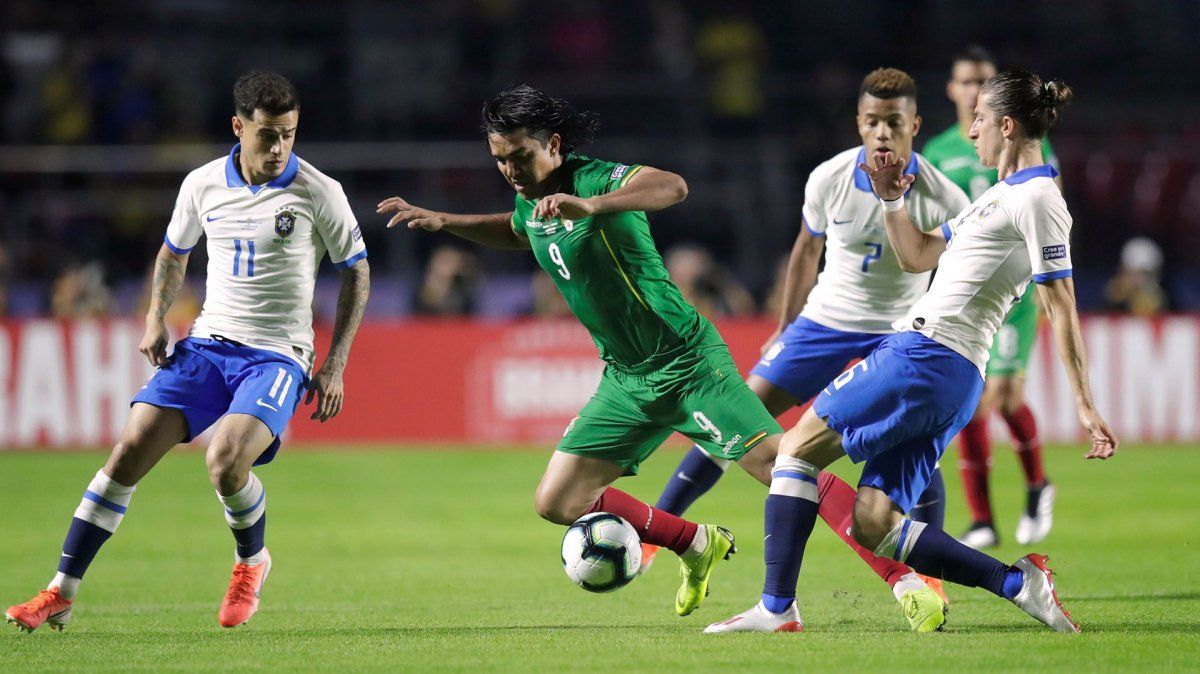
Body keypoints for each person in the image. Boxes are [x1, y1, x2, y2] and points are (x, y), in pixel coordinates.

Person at [706, 70, 1117, 634]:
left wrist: (1085, 404)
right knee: (875, 521)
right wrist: (893, 201)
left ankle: (777, 608)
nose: (970, 131)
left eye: (978, 119)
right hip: (951, 374)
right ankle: (1018, 584)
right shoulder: (998, 198)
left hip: (926, 354)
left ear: (1006, 124)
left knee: (794, 450)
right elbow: (919, 255)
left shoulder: (1040, 198)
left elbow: (1060, 304)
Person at [379, 84, 791, 619]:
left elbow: (673, 186)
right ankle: (694, 542)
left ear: (552, 143)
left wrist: (592, 206)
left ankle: (902, 565)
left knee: (783, 468)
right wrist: (446, 221)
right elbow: (520, 229)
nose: (508, 169)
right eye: (499, 159)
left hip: (685, 361)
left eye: (518, 156)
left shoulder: (593, 179)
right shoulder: (531, 199)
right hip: (626, 377)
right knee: (556, 502)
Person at [5, 71, 370, 632]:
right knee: (127, 452)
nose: (278, 148)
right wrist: (155, 317)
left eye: (289, 135)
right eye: (267, 135)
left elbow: (357, 272)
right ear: (238, 127)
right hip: (206, 345)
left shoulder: (319, 192)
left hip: (277, 355)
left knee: (224, 462)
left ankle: (251, 561)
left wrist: (336, 362)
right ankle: (61, 591)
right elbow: (173, 254)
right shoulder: (202, 184)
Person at [644, 68, 968, 626]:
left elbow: (959, 272)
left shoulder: (944, 196)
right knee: (737, 411)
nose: (883, 133)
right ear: (859, 124)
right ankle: (661, 528)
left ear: (915, 124)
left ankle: (926, 566)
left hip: (897, 331)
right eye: (872, 122)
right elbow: (805, 250)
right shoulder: (828, 177)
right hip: (822, 322)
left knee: (909, 439)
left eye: (894, 122)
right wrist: (784, 326)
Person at [922, 46, 1061, 548]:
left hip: (1015, 294)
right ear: (952, 89)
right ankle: (982, 519)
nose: (974, 90)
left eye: (984, 81)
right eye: (966, 82)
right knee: (972, 405)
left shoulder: (1026, 143)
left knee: (1006, 397)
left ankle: (1036, 483)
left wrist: (1053, 280)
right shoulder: (937, 151)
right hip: (965, 297)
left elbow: (1051, 217)